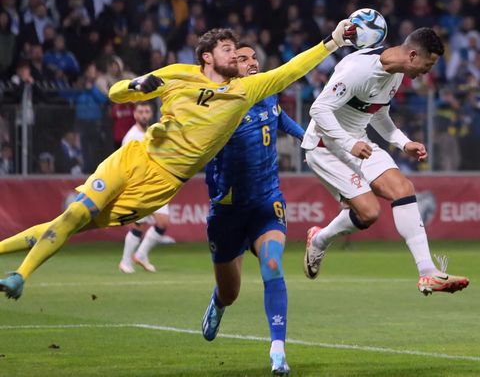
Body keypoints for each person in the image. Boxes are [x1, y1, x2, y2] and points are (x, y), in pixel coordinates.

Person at [0, 21, 355, 302]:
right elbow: (114, 93)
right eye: (228, 50)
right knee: (73, 214)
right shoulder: (178, 74)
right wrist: (136, 85)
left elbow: (291, 70)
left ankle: (16, 271)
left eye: (237, 51)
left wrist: (332, 42)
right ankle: (20, 275)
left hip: (161, 185)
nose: (237, 57)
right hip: (134, 157)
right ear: (206, 56)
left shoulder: (245, 90)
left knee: (75, 225)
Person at [302, 28, 469, 296]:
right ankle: (319, 239)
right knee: (368, 213)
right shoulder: (359, 68)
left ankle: (428, 273)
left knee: (403, 189)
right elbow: (318, 109)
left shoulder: (397, 74)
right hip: (325, 146)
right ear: (413, 55)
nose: (427, 72)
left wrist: (404, 143)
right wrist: (348, 143)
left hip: (358, 143)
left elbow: (378, 114)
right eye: (428, 65)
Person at [202, 44, 304, 375]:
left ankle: (278, 352)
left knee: (272, 265)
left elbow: (282, 120)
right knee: (231, 292)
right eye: (242, 59)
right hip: (227, 214)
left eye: (254, 57)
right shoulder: (221, 104)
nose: (252, 62)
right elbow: (201, 157)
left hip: (265, 202)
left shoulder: (269, 93)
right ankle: (218, 302)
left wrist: (312, 140)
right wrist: (214, 193)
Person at [119, 101, 174, 274]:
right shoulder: (130, 137)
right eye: (140, 111)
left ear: (151, 114)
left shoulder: (155, 132)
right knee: (139, 225)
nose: (144, 115)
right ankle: (126, 261)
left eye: (147, 111)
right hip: (140, 185)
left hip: (156, 183)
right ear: (135, 114)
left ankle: (140, 254)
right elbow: (125, 164)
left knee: (163, 223)